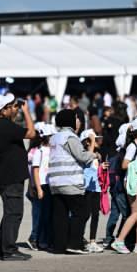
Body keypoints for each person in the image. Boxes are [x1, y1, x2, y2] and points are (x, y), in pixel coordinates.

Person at [0, 94, 35, 261]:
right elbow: (31, 133)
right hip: (11, 176)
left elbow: (12, 129)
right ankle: (9, 250)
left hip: (4, 174)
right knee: (14, 213)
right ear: (3, 110)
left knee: (9, 213)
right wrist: (27, 112)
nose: (14, 108)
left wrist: (14, 112)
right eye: (11, 106)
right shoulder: (3, 125)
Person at [48, 109, 95, 255]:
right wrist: (93, 154)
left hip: (56, 182)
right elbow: (81, 156)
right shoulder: (70, 137)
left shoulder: (54, 138)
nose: (79, 121)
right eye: (76, 118)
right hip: (70, 181)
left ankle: (59, 246)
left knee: (60, 215)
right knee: (81, 212)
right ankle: (75, 244)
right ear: (70, 121)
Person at [110, 118, 137, 254]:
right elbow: (124, 164)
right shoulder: (132, 146)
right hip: (133, 183)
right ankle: (119, 240)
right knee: (136, 213)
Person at [27, 124, 54, 251]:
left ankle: (46, 239)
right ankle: (39, 239)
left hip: (51, 185)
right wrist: (38, 188)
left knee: (48, 214)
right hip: (42, 185)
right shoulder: (39, 151)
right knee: (41, 214)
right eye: (52, 136)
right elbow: (35, 171)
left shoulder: (54, 150)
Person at [80, 130, 106, 253]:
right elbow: (86, 160)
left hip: (96, 188)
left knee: (95, 215)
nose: (97, 141)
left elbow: (95, 169)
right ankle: (78, 237)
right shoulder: (84, 153)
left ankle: (92, 241)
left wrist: (102, 167)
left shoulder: (97, 154)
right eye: (94, 139)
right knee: (85, 215)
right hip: (86, 189)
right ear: (87, 142)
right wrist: (91, 142)